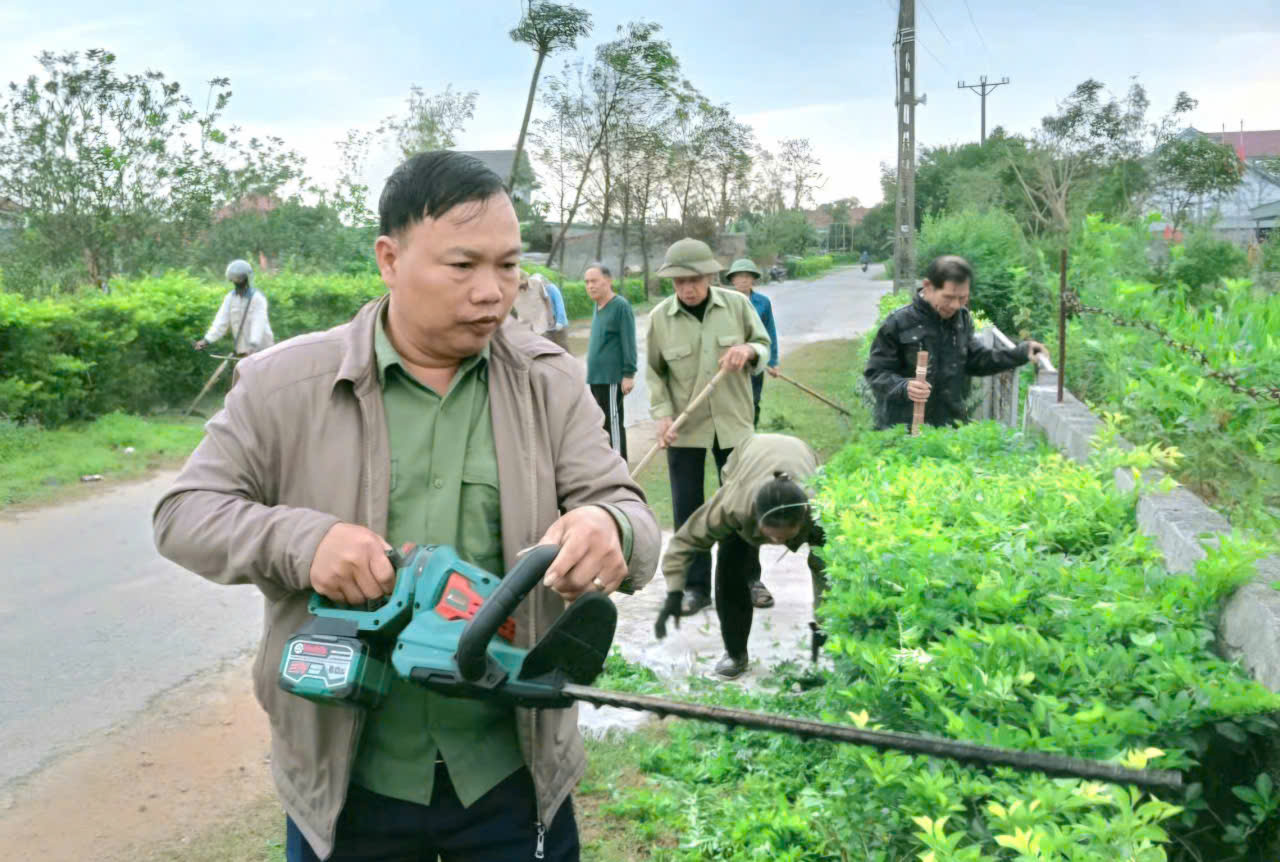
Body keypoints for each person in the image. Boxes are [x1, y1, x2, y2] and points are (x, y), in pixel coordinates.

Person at [153, 150, 660, 862]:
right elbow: (183, 513)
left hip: (510, 780)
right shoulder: (284, 386)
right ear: (389, 259)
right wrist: (306, 543)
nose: (493, 292)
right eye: (463, 266)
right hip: (347, 778)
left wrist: (608, 527)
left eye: (508, 266)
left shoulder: (550, 385)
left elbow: (629, 511)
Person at [647, 237, 771, 617]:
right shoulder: (660, 319)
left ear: (710, 276)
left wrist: (747, 351)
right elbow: (655, 374)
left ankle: (749, 579)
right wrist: (663, 415)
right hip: (686, 428)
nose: (687, 288)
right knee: (688, 509)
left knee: (741, 505)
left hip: (733, 423)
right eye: (679, 281)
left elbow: (762, 344)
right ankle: (695, 587)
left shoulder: (737, 305)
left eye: (694, 280)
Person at [653, 434, 828, 679]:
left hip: (801, 454)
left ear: (802, 521)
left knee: (827, 567)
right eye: (770, 536)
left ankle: (824, 648)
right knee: (731, 564)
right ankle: (735, 653)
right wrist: (674, 592)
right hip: (745, 458)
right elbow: (684, 543)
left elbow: (828, 577)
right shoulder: (733, 505)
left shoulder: (821, 508)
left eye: (784, 537)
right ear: (756, 517)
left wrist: (824, 630)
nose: (775, 544)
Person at [864, 254, 1048, 431]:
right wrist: (904, 387)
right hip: (902, 429)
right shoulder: (898, 322)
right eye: (949, 297)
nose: (955, 305)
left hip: (949, 429)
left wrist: (1021, 353)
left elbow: (977, 360)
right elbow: (876, 373)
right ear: (928, 287)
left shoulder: (961, 319)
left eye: (963, 298)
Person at [584, 262, 636, 459]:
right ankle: (607, 466)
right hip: (596, 378)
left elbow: (628, 341)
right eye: (587, 282)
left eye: (594, 281)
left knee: (613, 424)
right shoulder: (597, 306)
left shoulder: (620, 306)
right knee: (601, 425)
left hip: (611, 378)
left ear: (608, 280)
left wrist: (628, 374)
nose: (590, 286)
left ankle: (620, 470)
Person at [724, 258, 780, 428]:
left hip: (755, 358)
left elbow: (770, 332)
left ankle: (751, 433)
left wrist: (772, 361)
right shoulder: (725, 301)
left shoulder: (763, 302)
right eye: (739, 276)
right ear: (732, 279)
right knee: (732, 401)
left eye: (747, 276)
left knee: (754, 399)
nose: (743, 280)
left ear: (753, 279)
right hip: (732, 359)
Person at [194, 259, 274, 355]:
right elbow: (221, 321)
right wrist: (206, 341)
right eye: (235, 278)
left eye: (239, 278)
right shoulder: (230, 298)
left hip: (263, 350)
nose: (237, 281)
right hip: (243, 351)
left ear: (246, 278)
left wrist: (253, 344)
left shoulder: (257, 298)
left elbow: (258, 321)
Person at [510, 269, 555, 339]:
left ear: (525, 280)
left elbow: (546, 299)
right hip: (524, 326)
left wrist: (550, 317)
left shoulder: (537, 283)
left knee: (544, 346)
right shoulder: (512, 290)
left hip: (541, 325)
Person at [537, 273, 570, 350]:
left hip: (558, 322)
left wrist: (560, 321)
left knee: (563, 347)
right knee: (551, 348)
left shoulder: (552, 288)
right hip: (547, 325)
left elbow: (560, 305)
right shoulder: (537, 291)